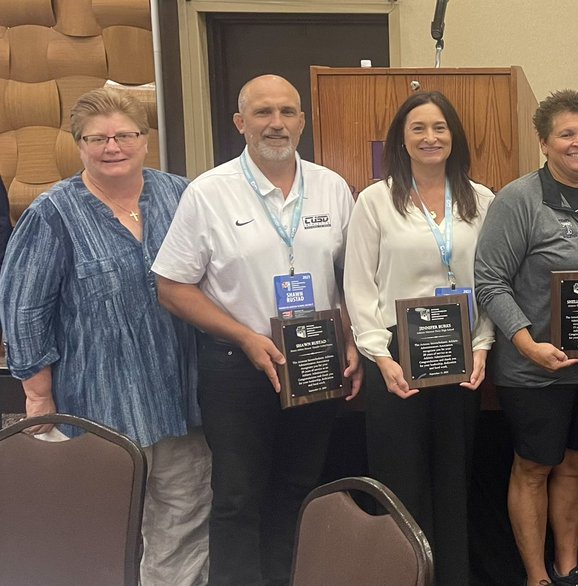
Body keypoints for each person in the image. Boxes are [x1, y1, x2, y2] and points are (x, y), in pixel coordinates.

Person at [152, 74, 362, 586]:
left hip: (315, 362)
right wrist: (245, 336)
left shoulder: (332, 187)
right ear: (240, 124)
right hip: (237, 365)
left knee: (298, 488)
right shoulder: (209, 193)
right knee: (238, 497)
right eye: (264, 113)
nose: (277, 123)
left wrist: (352, 340)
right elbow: (171, 286)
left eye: (288, 112)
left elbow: (353, 278)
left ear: (302, 121)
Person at [0, 87, 210, 586]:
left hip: (182, 402)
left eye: (124, 135)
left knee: (183, 524)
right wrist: (38, 395)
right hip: (96, 410)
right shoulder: (53, 214)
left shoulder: (181, 195)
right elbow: (23, 309)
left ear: (145, 140)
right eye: (98, 138)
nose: (112, 147)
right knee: (104, 532)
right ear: (79, 145)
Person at [475, 89, 578, 586]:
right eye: (566, 134)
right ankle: (535, 575)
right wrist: (525, 344)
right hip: (534, 370)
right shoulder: (518, 199)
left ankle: (569, 566)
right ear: (544, 142)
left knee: (577, 463)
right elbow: (489, 282)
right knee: (535, 467)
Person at [343, 91, 494, 586]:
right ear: (401, 140)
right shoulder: (375, 200)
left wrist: (482, 345)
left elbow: (492, 281)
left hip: (460, 351)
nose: (430, 138)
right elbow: (359, 286)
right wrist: (379, 357)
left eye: (440, 128)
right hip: (395, 355)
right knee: (401, 481)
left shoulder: (482, 199)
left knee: (454, 482)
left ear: (455, 137)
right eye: (418, 129)